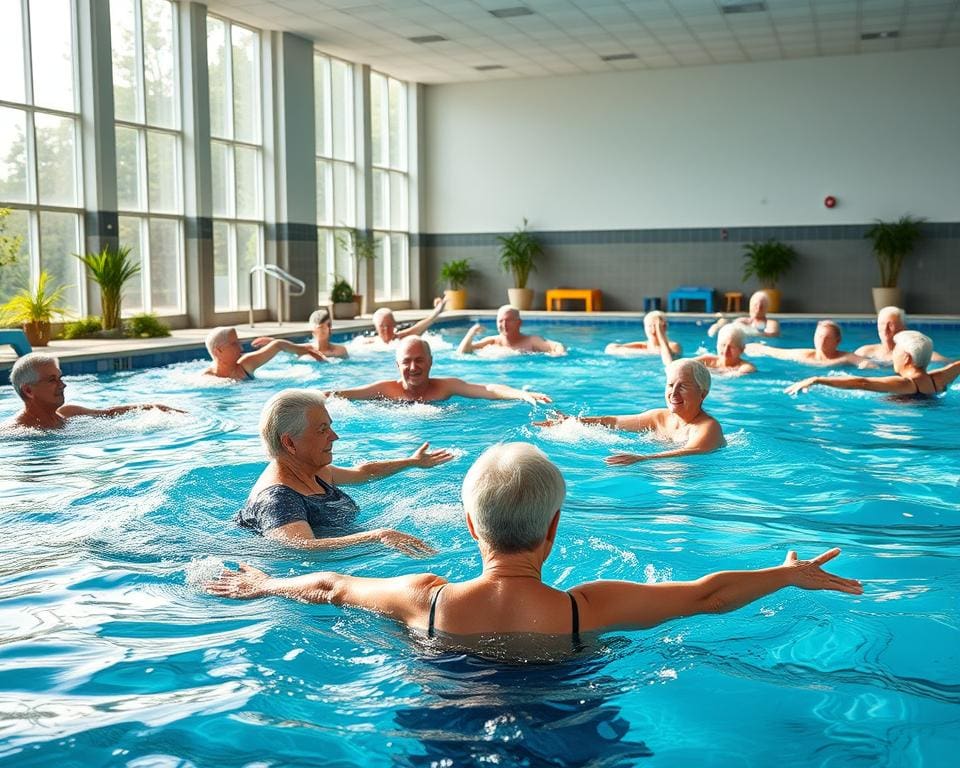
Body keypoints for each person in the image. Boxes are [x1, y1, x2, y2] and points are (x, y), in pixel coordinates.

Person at [206, 442, 861, 661]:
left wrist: (263, 585)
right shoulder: (588, 606)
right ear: (554, 529)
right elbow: (709, 595)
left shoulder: (423, 598)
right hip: (562, 714)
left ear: (470, 525)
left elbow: (328, 585)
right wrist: (785, 574)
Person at [237, 389, 452, 554]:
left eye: (330, 426)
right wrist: (377, 537)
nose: (334, 436)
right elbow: (301, 547)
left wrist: (412, 462)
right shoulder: (278, 499)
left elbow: (363, 472)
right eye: (322, 430)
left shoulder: (313, 471)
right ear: (290, 443)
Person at [535, 358, 724, 464]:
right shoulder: (659, 417)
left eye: (682, 386)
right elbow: (614, 422)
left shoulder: (708, 427)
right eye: (670, 385)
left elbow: (692, 451)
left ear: (702, 393)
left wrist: (644, 458)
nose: (673, 393)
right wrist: (573, 421)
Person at [330, 336, 551, 405]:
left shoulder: (445, 387)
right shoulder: (385, 390)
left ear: (430, 362)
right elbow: (343, 395)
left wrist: (521, 394)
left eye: (419, 360)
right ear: (398, 365)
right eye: (407, 362)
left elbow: (488, 389)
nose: (413, 367)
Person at [6, 353, 183, 430]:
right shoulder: (16, 430)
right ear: (28, 390)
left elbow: (109, 413)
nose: (62, 385)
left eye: (60, 377)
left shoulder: (69, 413)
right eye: (52, 380)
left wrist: (154, 407)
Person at [786, 331, 960, 397]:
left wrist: (817, 379)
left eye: (896, 350)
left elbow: (862, 382)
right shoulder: (939, 379)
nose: (893, 354)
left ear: (907, 358)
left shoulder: (905, 384)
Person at [203, 326, 328, 379]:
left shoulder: (245, 365)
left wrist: (305, 350)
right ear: (218, 351)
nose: (241, 348)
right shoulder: (206, 379)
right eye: (234, 344)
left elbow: (278, 345)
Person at [747, 320, 872, 368]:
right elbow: (777, 352)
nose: (822, 341)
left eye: (827, 338)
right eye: (819, 336)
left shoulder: (846, 358)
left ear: (837, 341)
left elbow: (868, 364)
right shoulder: (804, 355)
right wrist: (755, 347)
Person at [457, 305, 566, 355]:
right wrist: (471, 333)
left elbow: (557, 346)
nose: (504, 325)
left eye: (509, 320)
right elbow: (462, 352)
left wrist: (557, 355)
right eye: (500, 321)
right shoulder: (492, 342)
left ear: (519, 323)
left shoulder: (531, 341)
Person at [854, 306, 946, 364]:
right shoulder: (864, 352)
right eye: (882, 324)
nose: (885, 329)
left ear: (903, 328)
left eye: (890, 325)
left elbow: (945, 362)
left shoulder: (916, 353)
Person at [251, 309, 348, 360]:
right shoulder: (306, 349)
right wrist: (272, 341)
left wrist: (323, 360)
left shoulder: (340, 351)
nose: (321, 332)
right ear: (312, 330)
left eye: (323, 328)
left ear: (329, 328)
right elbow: (288, 347)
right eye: (319, 328)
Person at [358, 296, 448, 347]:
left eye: (389, 325)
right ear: (376, 328)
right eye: (382, 326)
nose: (386, 329)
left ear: (394, 325)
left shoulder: (401, 338)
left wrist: (438, 310)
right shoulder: (368, 343)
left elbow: (426, 322)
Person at [604, 310, 681, 357]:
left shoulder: (673, 346)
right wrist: (647, 352)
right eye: (649, 326)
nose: (653, 330)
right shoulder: (643, 346)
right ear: (645, 328)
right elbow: (610, 348)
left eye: (656, 326)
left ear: (664, 327)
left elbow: (669, 357)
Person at [708, 291, 780, 338]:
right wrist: (721, 323)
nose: (758, 309)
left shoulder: (771, 323)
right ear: (750, 306)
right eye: (755, 305)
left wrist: (748, 330)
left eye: (761, 306)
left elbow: (771, 335)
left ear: (766, 308)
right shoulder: (743, 321)